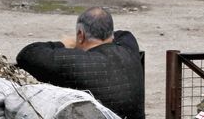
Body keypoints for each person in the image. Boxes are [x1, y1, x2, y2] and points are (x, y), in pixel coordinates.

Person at [16, 6, 144, 119]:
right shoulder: (128, 47)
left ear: (80, 34)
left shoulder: (72, 62)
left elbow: (27, 54)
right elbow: (122, 34)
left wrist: (65, 43)